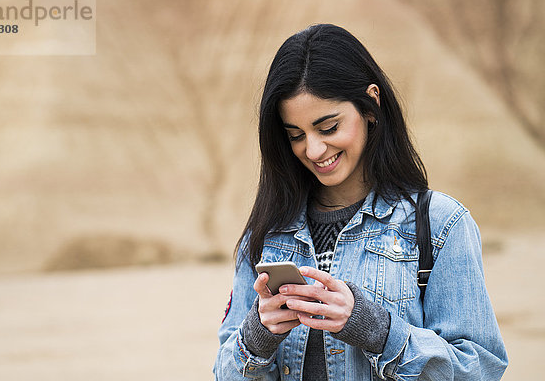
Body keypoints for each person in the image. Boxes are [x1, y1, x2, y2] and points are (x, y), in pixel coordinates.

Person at [213, 24, 508, 380]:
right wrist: (258, 337)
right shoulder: (266, 235)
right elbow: (223, 373)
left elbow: (480, 369)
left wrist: (376, 330)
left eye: (328, 127)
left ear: (371, 105)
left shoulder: (442, 225)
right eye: (296, 135)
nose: (314, 150)